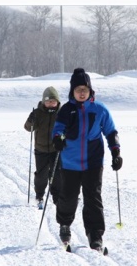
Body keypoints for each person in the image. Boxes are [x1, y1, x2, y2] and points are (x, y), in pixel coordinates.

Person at [52, 68, 122, 252]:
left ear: (90, 91)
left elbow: (111, 131)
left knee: (93, 199)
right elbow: (58, 129)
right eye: (78, 89)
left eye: (85, 89)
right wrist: (57, 140)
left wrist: (116, 152)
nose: (82, 92)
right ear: (72, 91)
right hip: (70, 162)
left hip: (93, 162)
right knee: (68, 197)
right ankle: (65, 225)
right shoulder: (66, 110)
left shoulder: (100, 109)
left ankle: (95, 235)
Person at [24, 86, 63, 209]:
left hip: (56, 149)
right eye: (48, 102)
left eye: (53, 101)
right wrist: (31, 120)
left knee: (57, 174)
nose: (50, 104)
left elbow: (68, 129)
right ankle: (39, 195)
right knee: (41, 175)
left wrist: (63, 139)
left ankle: (57, 196)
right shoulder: (38, 113)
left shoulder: (61, 113)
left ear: (57, 101)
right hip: (41, 149)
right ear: (43, 102)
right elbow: (28, 128)